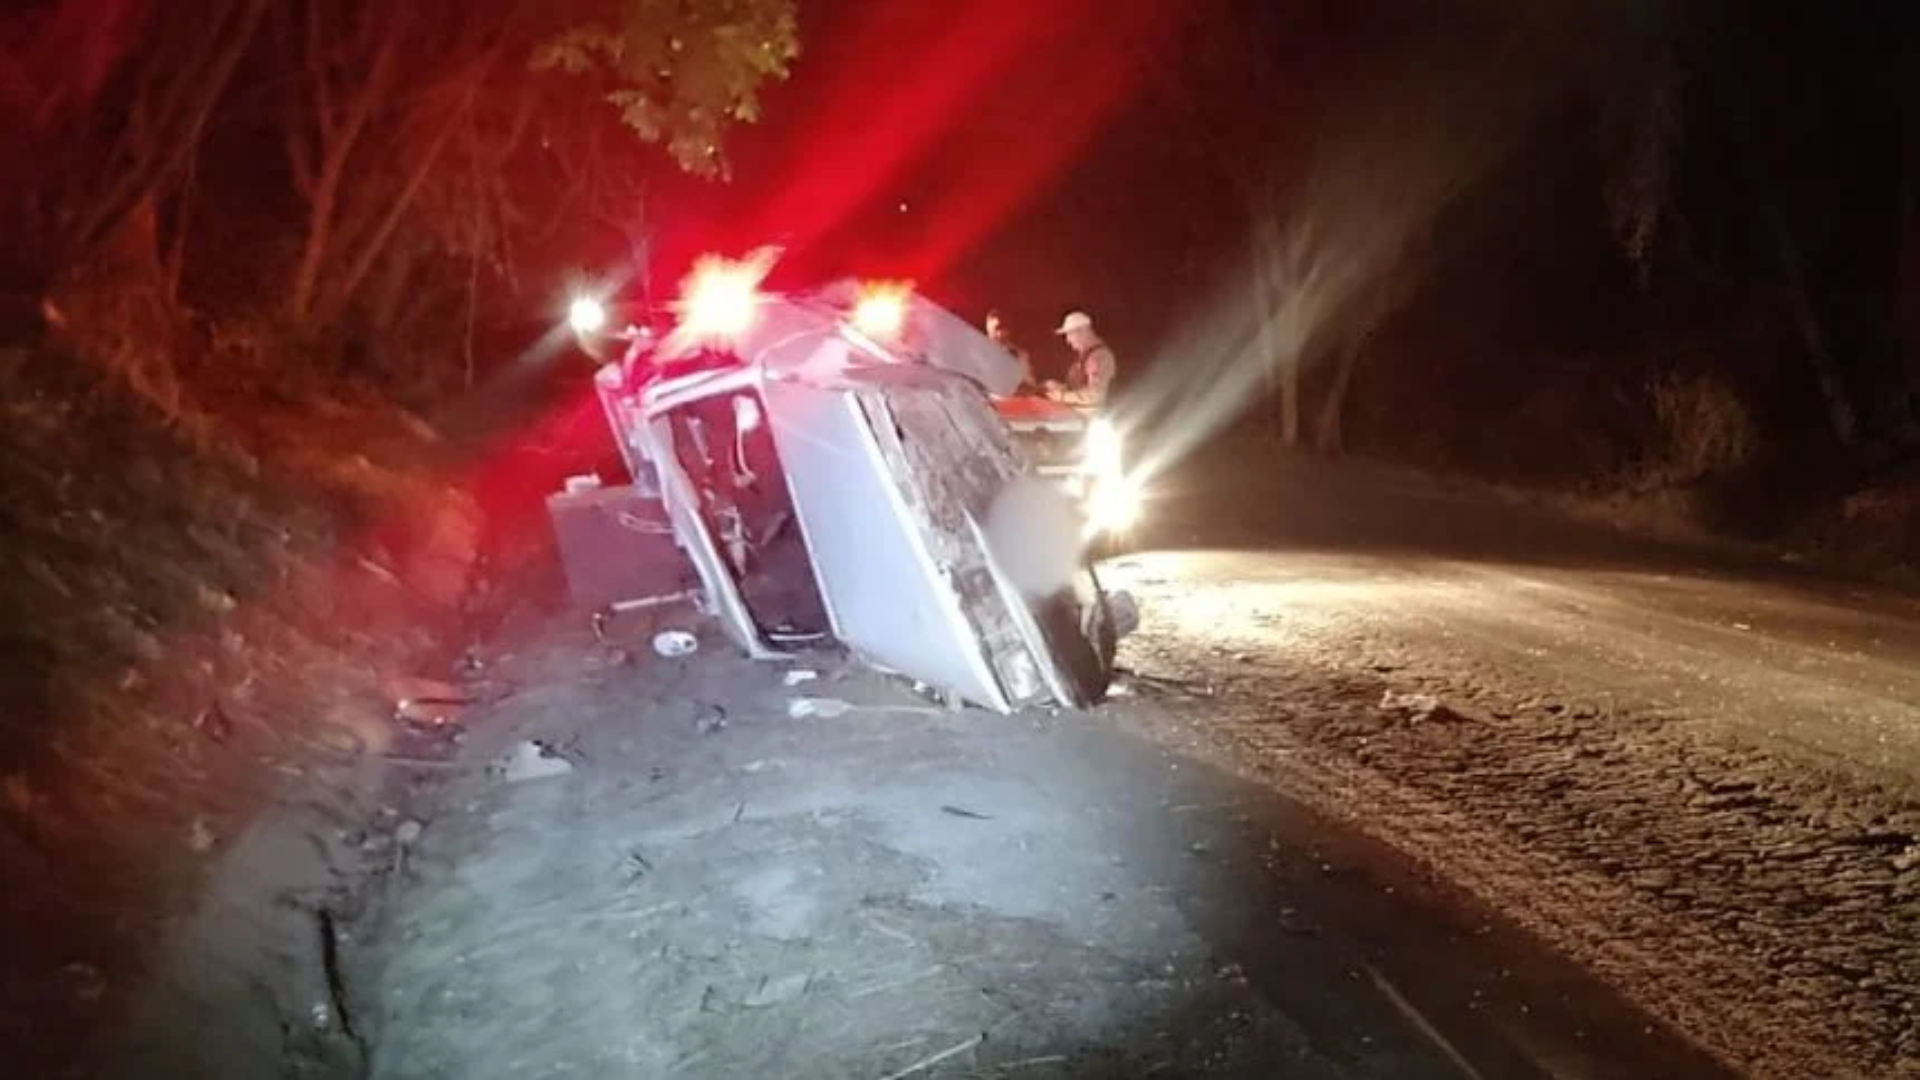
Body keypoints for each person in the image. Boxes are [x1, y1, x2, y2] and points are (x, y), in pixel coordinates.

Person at [1045, 310, 1116, 408]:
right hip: (1078, 417)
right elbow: (1079, 387)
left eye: (1070, 334)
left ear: (1083, 331)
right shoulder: (1086, 356)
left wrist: (1062, 396)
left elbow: (1095, 393)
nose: (1068, 340)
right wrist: (1061, 388)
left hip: (1090, 418)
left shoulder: (1099, 357)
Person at [985, 309, 1036, 393]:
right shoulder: (976, 352)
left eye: (1004, 327)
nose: (1000, 333)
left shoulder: (1019, 355)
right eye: (997, 328)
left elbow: (1029, 384)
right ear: (988, 328)